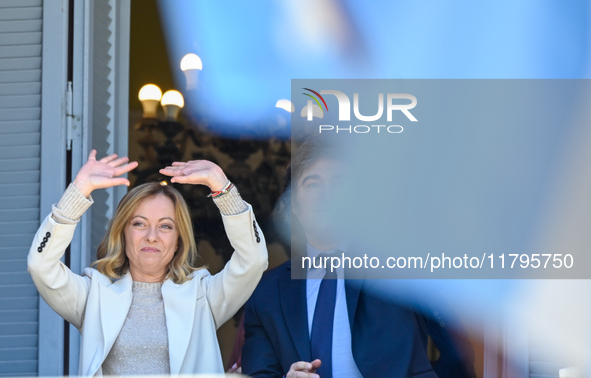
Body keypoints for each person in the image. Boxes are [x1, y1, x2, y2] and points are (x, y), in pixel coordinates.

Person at [241, 135, 476, 378]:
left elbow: (457, 355)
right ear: (294, 205)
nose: (327, 195)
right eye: (313, 184)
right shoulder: (266, 294)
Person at [27, 150, 268, 376]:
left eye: (165, 226)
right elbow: (41, 266)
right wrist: (78, 193)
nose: (151, 235)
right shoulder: (94, 295)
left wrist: (222, 187)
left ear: (178, 241)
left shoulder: (203, 296)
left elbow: (253, 260)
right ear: (123, 233)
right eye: (139, 223)